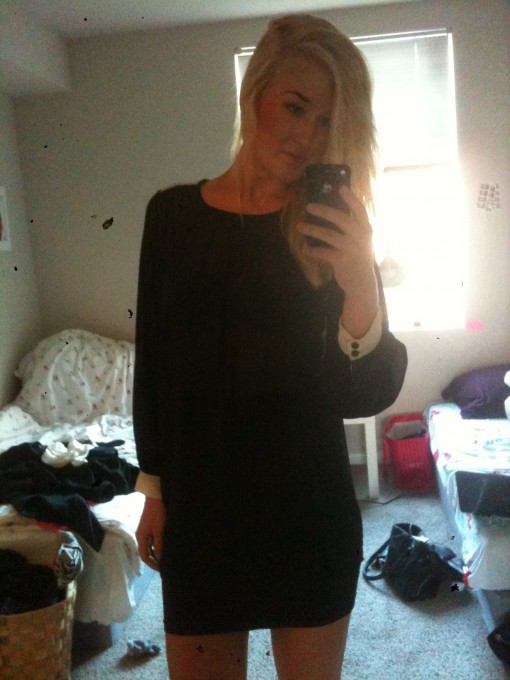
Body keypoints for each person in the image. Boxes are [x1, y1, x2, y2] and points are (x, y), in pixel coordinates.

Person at [133, 13, 407, 680]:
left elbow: (363, 395)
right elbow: (155, 367)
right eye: (295, 106)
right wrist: (152, 488)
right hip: (202, 515)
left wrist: (359, 282)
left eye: (326, 121)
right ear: (254, 93)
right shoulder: (172, 218)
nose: (307, 136)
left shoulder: (331, 234)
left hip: (307, 515)